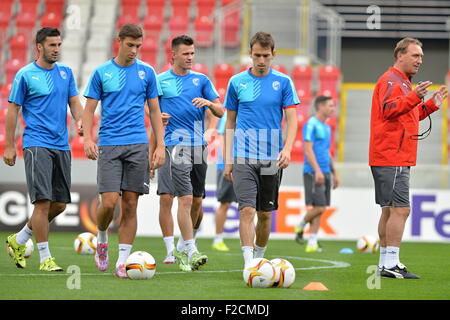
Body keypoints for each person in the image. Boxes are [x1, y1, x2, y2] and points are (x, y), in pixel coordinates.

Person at [82, 24, 166, 278]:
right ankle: (102, 235)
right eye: (130, 45)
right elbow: (88, 109)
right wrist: (87, 138)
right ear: (118, 42)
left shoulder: (147, 72)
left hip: (138, 145)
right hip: (109, 143)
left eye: (138, 46)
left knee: (130, 204)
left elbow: (154, 110)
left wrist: (160, 146)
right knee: (108, 203)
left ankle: (122, 261)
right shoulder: (102, 72)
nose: (134, 50)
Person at [4, 27, 83, 272]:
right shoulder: (25, 75)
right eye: (52, 45)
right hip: (36, 144)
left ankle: (19, 239)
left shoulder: (66, 73)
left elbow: (74, 103)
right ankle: (45, 259)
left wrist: (81, 122)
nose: (57, 49)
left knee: (59, 205)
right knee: (43, 203)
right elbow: (13, 111)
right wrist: (9, 145)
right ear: (39, 47)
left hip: (62, 145)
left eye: (59, 44)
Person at [369, 37, 447, 279]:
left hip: (391, 154)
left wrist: (431, 105)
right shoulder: (392, 80)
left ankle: (385, 262)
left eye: (421, 56)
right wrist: (415, 97)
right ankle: (391, 263)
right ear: (400, 55)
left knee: (389, 210)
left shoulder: (401, 83)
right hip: (392, 155)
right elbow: (390, 110)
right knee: (401, 210)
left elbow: (407, 115)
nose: (419, 60)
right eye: (415, 55)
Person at [223, 32, 299, 267]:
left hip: (270, 159)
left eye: (266, 56)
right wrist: (228, 160)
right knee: (246, 210)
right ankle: (249, 265)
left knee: (265, 215)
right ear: (250, 54)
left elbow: (292, 120)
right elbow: (230, 123)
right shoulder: (236, 82)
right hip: (243, 156)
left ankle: (259, 258)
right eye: (257, 55)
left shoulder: (284, 82)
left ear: (273, 55)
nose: (261, 61)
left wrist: (287, 149)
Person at [153, 35, 223, 271]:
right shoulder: (160, 80)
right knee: (172, 197)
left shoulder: (202, 80)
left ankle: (185, 244)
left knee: (196, 201)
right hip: (174, 144)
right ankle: (175, 250)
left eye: (192, 53)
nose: (190, 57)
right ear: (173, 54)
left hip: (198, 147)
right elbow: (149, 106)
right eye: (186, 53)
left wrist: (209, 104)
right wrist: (157, 118)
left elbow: (221, 110)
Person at [294, 96, 339, 252]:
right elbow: (308, 149)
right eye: (330, 105)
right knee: (319, 207)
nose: (333, 108)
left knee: (321, 207)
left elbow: (326, 151)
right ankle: (300, 226)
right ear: (320, 106)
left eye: (333, 106)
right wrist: (318, 171)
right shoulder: (311, 124)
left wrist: (334, 172)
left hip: (325, 171)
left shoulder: (326, 128)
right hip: (313, 171)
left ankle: (312, 243)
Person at [212, 110, 236, 252]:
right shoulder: (229, 113)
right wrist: (228, 161)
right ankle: (218, 239)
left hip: (244, 163)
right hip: (226, 164)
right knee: (225, 203)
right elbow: (222, 136)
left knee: (248, 205)